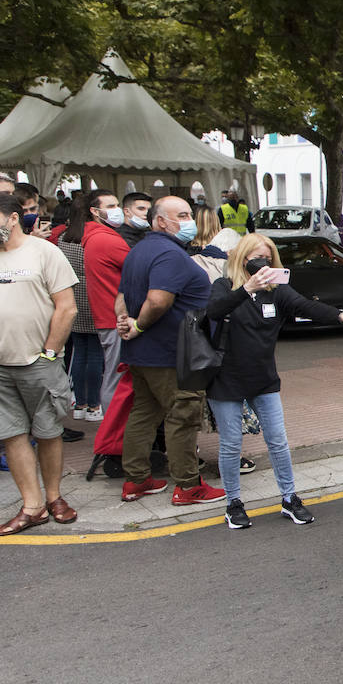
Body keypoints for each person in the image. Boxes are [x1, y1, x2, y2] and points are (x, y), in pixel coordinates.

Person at [207, 234, 343, 528]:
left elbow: (306, 306)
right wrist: (246, 289)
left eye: (268, 259)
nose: (263, 264)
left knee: (278, 441)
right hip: (225, 378)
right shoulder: (224, 286)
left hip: (263, 377)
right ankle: (234, 503)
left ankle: (289, 498)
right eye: (256, 258)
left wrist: (342, 315)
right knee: (231, 445)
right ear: (242, 259)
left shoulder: (277, 290)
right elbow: (214, 311)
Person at [0, 185, 79, 536]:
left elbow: (67, 307)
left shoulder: (44, 253)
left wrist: (50, 351)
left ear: (12, 218)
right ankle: (33, 506)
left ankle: (55, 498)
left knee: (49, 432)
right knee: (12, 435)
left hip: (39, 361)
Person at [115, 196, 224, 506]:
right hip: (172, 354)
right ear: (161, 221)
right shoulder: (170, 254)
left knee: (144, 414)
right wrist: (139, 326)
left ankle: (136, 480)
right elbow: (158, 300)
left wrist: (126, 324)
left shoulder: (139, 251)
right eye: (183, 215)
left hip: (144, 353)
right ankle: (189, 485)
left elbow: (122, 295)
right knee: (182, 417)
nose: (190, 220)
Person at [80, 189, 131, 412]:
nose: (116, 210)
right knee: (116, 378)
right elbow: (139, 269)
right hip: (116, 318)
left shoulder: (96, 237)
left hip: (109, 316)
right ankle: (114, 433)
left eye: (116, 205)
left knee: (114, 375)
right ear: (94, 211)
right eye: (110, 207)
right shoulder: (105, 240)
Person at [56, 195, 105, 421]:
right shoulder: (93, 238)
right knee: (95, 354)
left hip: (72, 296)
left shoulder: (64, 238)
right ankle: (94, 405)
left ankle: (80, 403)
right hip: (93, 296)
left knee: (79, 352)